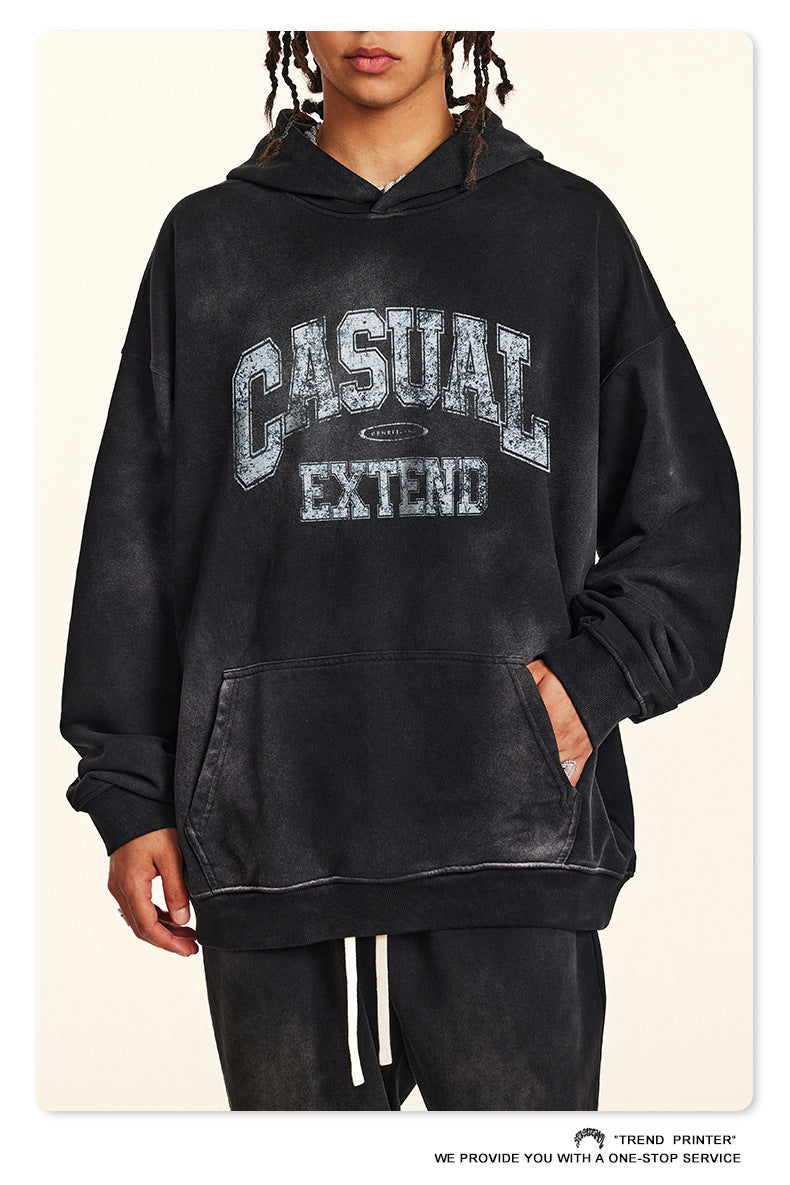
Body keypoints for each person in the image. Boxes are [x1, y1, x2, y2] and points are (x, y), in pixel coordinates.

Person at [59, 31, 741, 1111]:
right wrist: (130, 794)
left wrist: (591, 683)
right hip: (273, 838)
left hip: (510, 842)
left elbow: (687, 516)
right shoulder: (210, 243)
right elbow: (133, 542)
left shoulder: (567, 232)